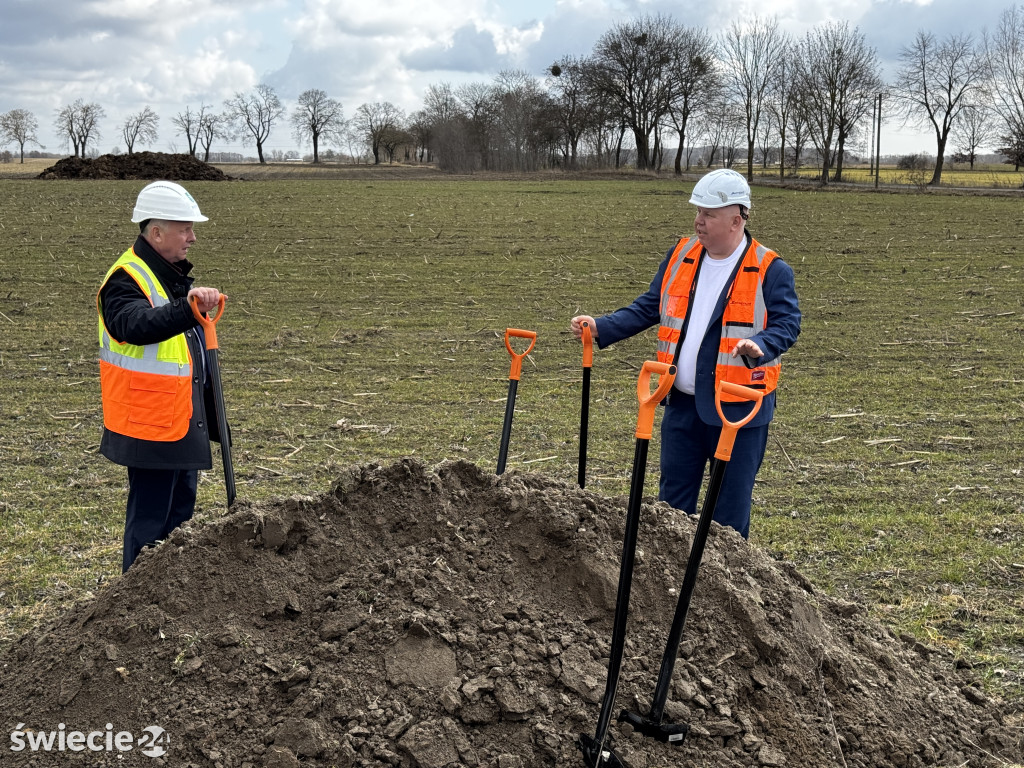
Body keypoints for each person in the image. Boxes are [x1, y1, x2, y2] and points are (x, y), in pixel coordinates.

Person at [571, 169, 800, 539]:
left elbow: (788, 323)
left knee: (728, 515)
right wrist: (603, 326)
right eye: (697, 212)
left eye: (708, 214)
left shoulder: (771, 269)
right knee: (670, 508)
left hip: (737, 410)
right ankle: (671, 584)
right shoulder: (681, 255)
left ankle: (725, 591)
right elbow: (651, 306)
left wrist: (763, 344)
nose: (698, 221)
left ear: (736, 220)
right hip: (681, 404)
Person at [97, 181, 225, 572]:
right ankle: (132, 608)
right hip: (150, 423)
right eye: (185, 228)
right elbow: (133, 325)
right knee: (151, 522)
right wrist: (187, 310)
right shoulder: (125, 278)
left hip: (181, 419)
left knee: (179, 519)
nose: (193, 237)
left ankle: (167, 604)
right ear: (156, 232)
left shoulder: (169, 275)